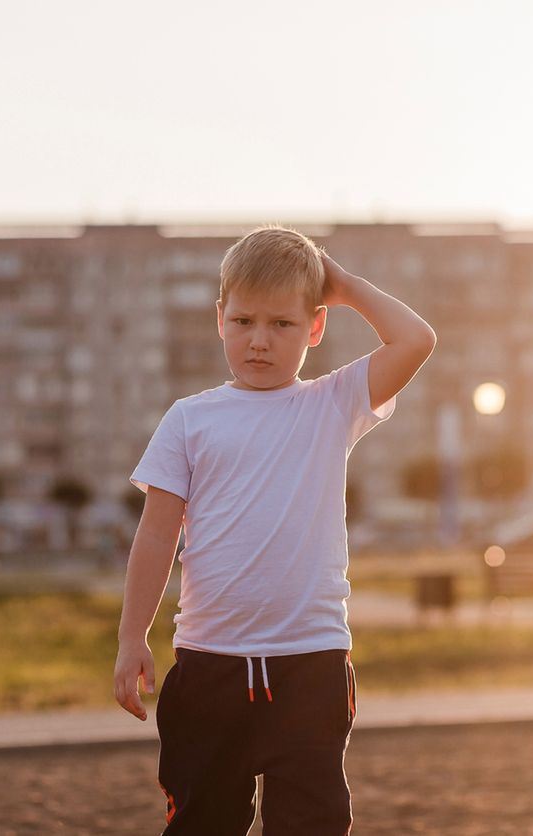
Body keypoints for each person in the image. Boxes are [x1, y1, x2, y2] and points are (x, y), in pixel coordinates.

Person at [114, 225, 436, 834]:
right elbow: (156, 538)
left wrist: (345, 286)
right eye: (244, 322)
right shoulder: (189, 420)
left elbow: (417, 339)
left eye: (282, 325)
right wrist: (132, 638)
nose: (259, 341)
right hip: (210, 667)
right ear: (220, 320)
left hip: (309, 665)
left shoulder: (333, 403)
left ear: (316, 327)